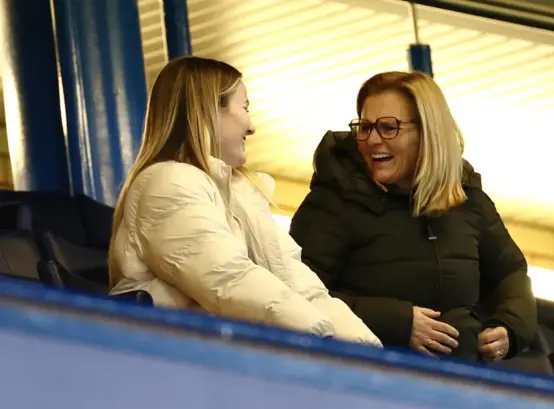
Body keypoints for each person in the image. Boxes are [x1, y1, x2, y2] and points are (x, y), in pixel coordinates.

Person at [108, 57, 381, 347]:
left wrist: (371, 353)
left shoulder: (240, 194)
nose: (251, 127)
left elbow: (303, 288)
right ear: (209, 111)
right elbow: (228, 280)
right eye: (245, 108)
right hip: (180, 365)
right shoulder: (168, 182)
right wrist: (323, 340)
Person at [289, 71, 536, 361]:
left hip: (455, 388)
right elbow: (297, 293)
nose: (372, 140)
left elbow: (511, 273)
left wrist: (510, 327)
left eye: (388, 128)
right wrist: (399, 323)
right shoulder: (334, 201)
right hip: (363, 382)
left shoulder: (470, 202)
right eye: (365, 127)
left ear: (428, 133)